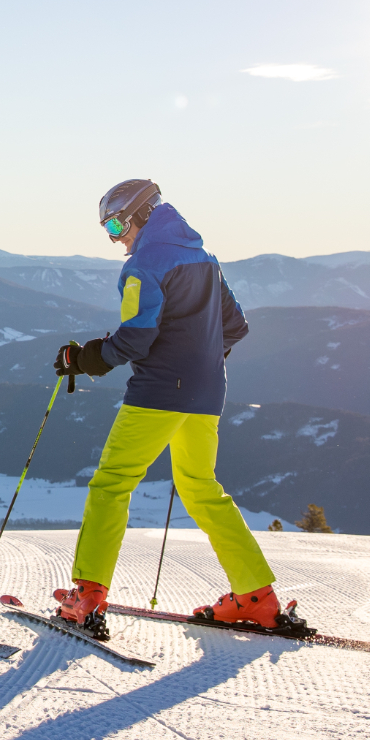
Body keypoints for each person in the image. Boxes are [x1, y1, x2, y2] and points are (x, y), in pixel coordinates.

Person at [50, 180, 279, 633]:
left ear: (141, 215)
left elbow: (136, 336)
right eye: (108, 228)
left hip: (158, 393)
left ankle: (89, 594)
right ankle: (256, 596)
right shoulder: (204, 259)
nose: (115, 237)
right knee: (201, 489)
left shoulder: (144, 265)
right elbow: (235, 327)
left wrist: (86, 358)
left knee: (111, 484)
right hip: (208, 393)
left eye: (116, 224)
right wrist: (197, 361)